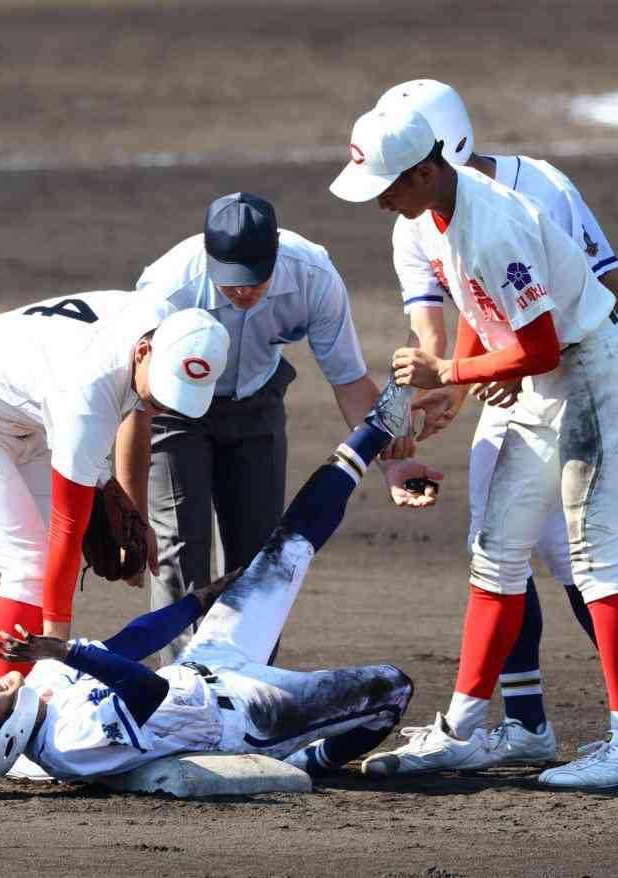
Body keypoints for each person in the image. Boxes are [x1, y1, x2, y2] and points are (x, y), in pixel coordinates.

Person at [330, 105, 618, 788]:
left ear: (426, 172)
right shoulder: (435, 213)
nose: (382, 201)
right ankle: (462, 730)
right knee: (497, 553)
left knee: (596, 558)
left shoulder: (493, 224)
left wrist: (447, 373)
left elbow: (539, 348)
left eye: (388, 186)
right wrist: (456, 383)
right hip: (552, 382)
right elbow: (481, 307)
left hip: (594, 377)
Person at [0, 382, 442, 786]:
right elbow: (150, 688)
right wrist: (64, 649)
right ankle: (311, 759)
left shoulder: (40, 689)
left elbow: (131, 645)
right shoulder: (71, 746)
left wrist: (197, 603)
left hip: (207, 661)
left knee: (282, 550)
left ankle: (378, 426)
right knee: (391, 688)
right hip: (243, 717)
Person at [133, 192, 415, 665]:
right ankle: (181, 683)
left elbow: (349, 380)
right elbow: (135, 397)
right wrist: (128, 497)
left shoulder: (313, 276)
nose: (243, 291)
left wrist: (393, 464)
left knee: (260, 559)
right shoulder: (168, 290)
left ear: (277, 253)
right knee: (179, 550)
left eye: (255, 278)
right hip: (173, 410)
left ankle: (247, 679)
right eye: (231, 279)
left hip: (257, 403)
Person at [0, 292, 229, 679]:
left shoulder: (170, 327)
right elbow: (67, 529)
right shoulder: (88, 391)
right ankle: (7, 704)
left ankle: (28, 691)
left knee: (46, 568)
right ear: (143, 352)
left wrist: (125, 503)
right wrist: (58, 647)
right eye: (162, 390)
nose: (164, 404)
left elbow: (116, 415)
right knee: (29, 564)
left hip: (28, 416)